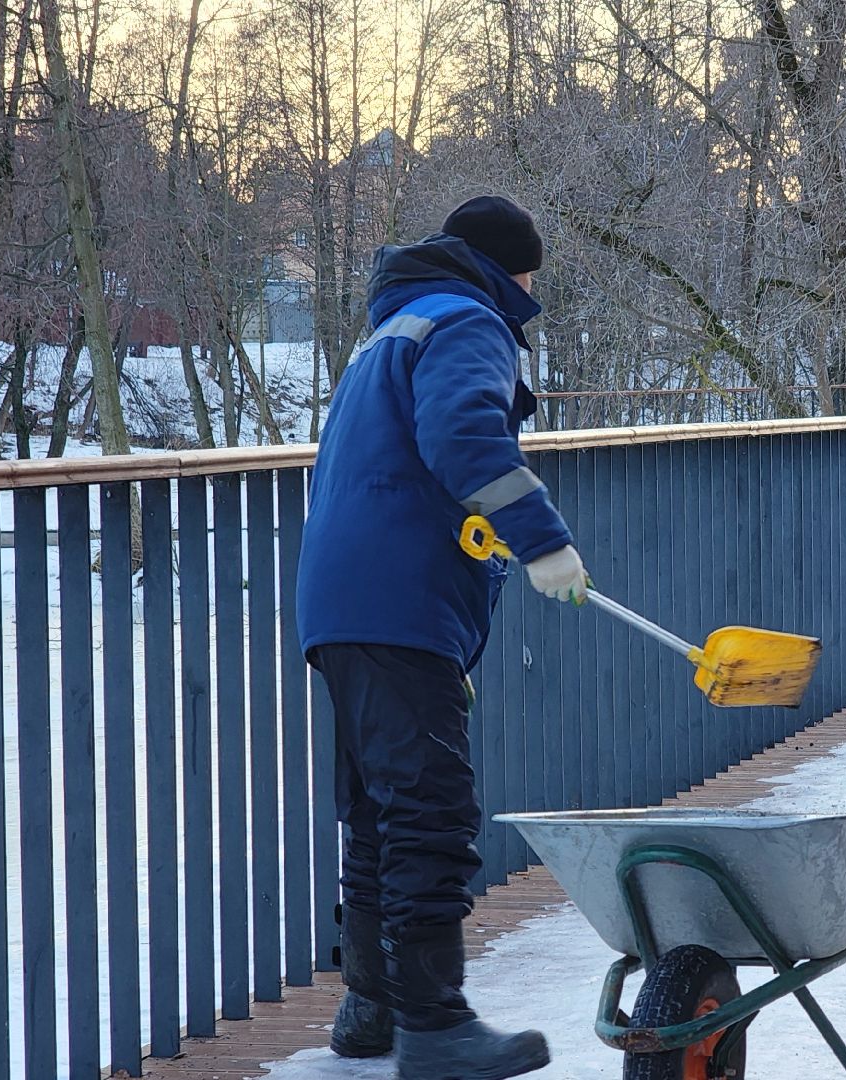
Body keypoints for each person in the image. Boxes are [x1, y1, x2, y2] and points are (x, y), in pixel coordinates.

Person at [296, 195, 585, 1080]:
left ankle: (373, 1007)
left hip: (341, 599)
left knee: (381, 808)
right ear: (511, 267)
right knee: (429, 808)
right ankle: (435, 1025)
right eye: (532, 273)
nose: (532, 289)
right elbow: (465, 436)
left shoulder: (396, 326)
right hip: (400, 598)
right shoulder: (471, 320)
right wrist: (544, 542)